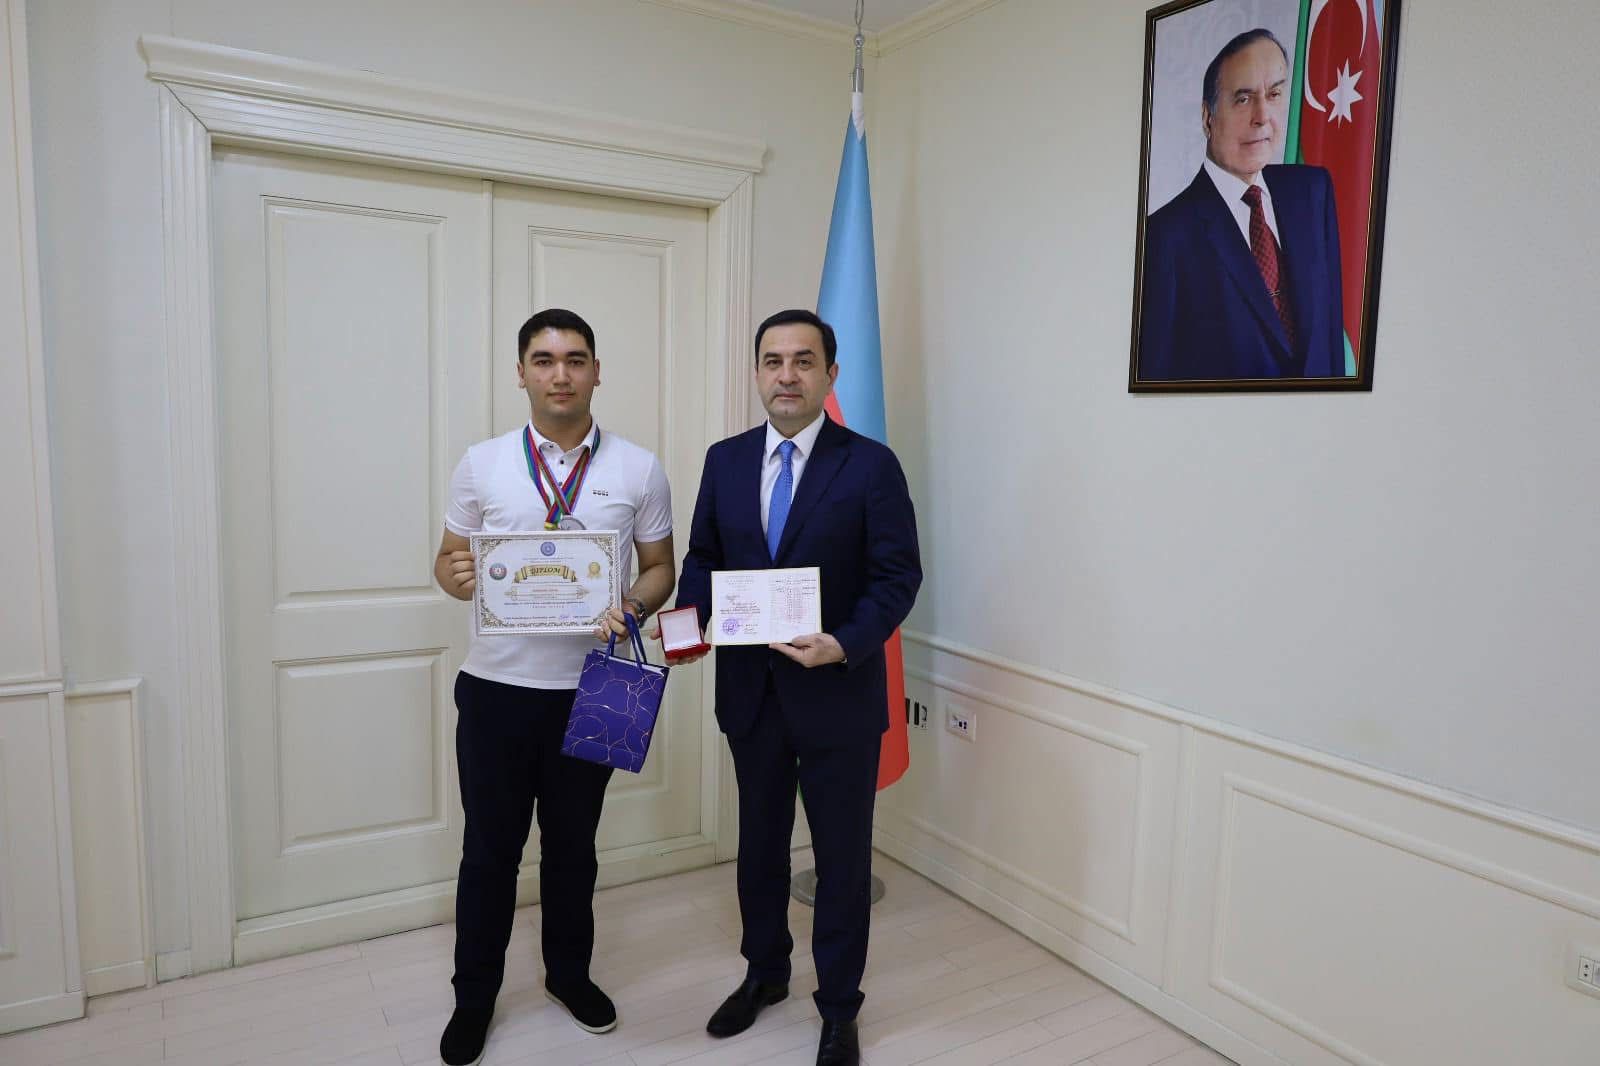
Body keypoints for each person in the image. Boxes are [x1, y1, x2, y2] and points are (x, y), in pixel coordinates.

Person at [668, 309, 921, 1066]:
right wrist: (686, 628)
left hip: (839, 695)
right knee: (760, 847)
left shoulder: (870, 465)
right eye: (773, 361)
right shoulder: (725, 460)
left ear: (830, 374)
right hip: (752, 695)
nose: (787, 375)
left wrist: (843, 642)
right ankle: (765, 974)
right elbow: (703, 557)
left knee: (841, 860)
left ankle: (839, 1008)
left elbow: (897, 575)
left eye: (803, 361)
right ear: (757, 373)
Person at [433, 308, 676, 1065]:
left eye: (575, 359)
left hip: (596, 685)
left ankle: (569, 975)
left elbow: (661, 568)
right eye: (543, 360)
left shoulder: (638, 468)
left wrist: (633, 606)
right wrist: (455, 575)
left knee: (574, 849)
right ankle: (474, 997)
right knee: (489, 852)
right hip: (497, 689)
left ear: (597, 371)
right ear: (522, 374)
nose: (560, 374)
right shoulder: (481, 464)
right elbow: (446, 560)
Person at [1138, 28, 1346, 381]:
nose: (1262, 116)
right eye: (1243, 99)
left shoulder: (1313, 192)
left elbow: (1329, 340)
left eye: (1274, 94)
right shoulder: (1165, 235)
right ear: (1208, 118)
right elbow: (1155, 380)